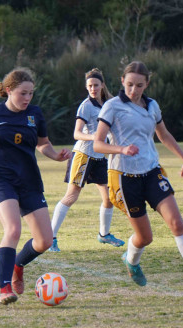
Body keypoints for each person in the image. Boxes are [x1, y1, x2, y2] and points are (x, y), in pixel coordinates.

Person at [93, 61, 183, 297]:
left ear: (147, 84)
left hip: (152, 172)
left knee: (177, 223)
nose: (133, 90)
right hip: (124, 178)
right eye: (129, 84)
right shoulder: (112, 106)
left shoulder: (152, 106)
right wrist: (121, 149)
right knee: (145, 238)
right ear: (122, 81)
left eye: (139, 85)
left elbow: (163, 134)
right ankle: (131, 261)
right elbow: (98, 144)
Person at [0, 68, 71, 305]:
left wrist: (55, 155)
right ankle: (5, 288)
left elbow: (43, 144)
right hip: (1, 180)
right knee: (13, 230)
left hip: (29, 181)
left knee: (45, 241)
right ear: (8, 90)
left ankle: (18, 264)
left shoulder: (35, 115)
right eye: (22, 93)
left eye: (30, 94)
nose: (27, 98)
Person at [49, 68, 124, 252]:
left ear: (102, 85)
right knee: (71, 196)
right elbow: (76, 133)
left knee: (109, 198)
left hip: (99, 157)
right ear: (86, 87)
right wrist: (95, 137)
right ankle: (50, 238)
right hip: (83, 155)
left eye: (96, 85)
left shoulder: (109, 103)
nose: (93, 88)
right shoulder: (85, 106)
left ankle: (104, 235)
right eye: (89, 85)